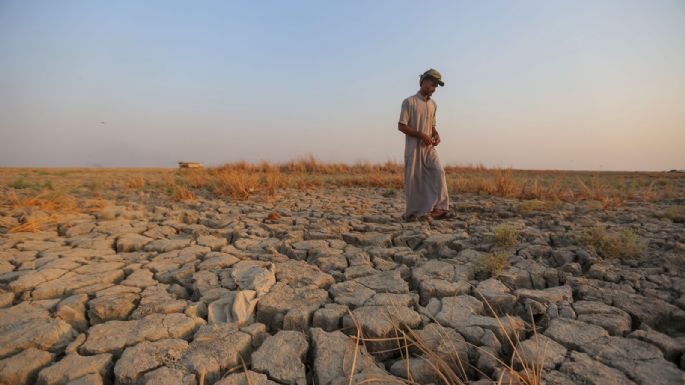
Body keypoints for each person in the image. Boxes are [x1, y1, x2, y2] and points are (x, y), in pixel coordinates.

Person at [397, 68, 450, 220]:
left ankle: (441, 208)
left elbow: (432, 125)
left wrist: (435, 134)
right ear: (424, 81)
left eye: (436, 87)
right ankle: (414, 213)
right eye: (432, 85)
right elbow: (401, 126)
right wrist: (421, 135)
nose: (434, 89)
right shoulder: (409, 102)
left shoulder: (433, 104)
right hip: (413, 148)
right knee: (415, 180)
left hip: (429, 148)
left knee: (438, 172)